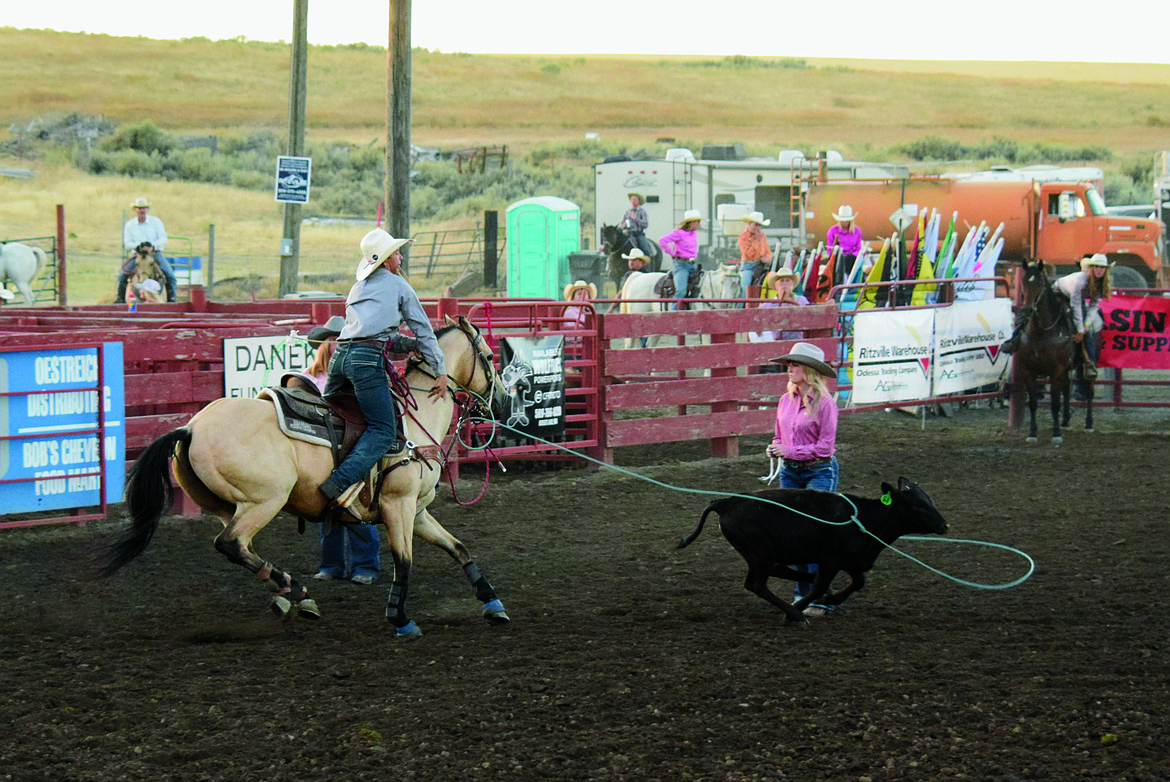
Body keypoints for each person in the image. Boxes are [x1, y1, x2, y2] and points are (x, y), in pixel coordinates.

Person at [318, 228, 449, 520]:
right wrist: (439, 370)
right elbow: (424, 330)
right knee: (384, 429)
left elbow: (374, 335)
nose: (400, 257)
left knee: (331, 419)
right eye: (396, 253)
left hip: (340, 359)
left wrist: (411, 346)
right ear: (386, 261)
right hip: (366, 362)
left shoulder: (357, 288)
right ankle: (339, 482)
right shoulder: (399, 286)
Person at [765, 342, 839, 617]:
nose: (790, 369)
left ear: (808, 370)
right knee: (795, 535)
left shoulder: (826, 404)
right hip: (791, 470)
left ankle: (820, 599)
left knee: (817, 535)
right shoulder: (785, 400)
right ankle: (803, 595)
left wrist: (789, 450)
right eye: (789, 365)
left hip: (819, 470)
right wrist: (775, 446)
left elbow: (825, 448)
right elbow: (778, 434)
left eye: (794, 365)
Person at [305, 324, 381, 584]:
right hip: (324, 446)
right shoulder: (310, 378)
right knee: (327, 505)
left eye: (341, 339)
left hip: (352, 443)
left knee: (357, 501)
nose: (337, 344)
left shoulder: (357, 375)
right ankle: (331, 565)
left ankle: (365, 566)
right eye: (332, 339)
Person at [1056, 253, 1112, 395]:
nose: (1100, 270)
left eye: (1102, 268)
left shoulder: (1100, 284)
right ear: (1091, 268)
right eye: (1097, 267)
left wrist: (1086, 326)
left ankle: (1090, 363)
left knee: (1089, 330)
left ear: (1105, 270)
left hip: (1076, 299)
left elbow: (1093, 306)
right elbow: (1076, 306)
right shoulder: (1080, 281)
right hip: (1058, 291)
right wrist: (1080, 330)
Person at [119, 197, 177, 303]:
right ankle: (120, 299)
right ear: (135, 209)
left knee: (170, 274)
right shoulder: (130, 225)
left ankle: (171, 298)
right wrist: (139, 247)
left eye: (144, 208)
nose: (142, 210)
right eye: (139, 208)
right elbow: (127, 243)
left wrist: (152, 247)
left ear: (147, 209)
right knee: (122, 275)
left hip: (154, 253)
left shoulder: (156, 222)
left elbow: (163, 239)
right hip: (138, 255)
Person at [659, 209, 702, 309]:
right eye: (697, 222)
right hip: (681, 265)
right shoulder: (678, 233)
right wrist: (672, 253)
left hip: (692, 264)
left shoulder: (694, 233)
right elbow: (662, 241)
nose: (699, 224)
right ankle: (674, 313)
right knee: (681, 291)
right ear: (691, 222)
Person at [825, 205, 863, 288]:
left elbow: (858, 248)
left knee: (849, 259)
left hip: (851, 258)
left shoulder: (856, 231)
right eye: (842, 220)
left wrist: (854, 255)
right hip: (837, 256)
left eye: (846, 221)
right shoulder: (833, 230)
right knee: (840, 260)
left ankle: (846, 280)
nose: (844, 223)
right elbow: (829, 248)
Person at [736, 211, 772, 298]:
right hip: (748, 266)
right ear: (749, 224)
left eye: (760, 225)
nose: (758, 228)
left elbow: (768, 252)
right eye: (755, 225)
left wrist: (767, 258)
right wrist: (757, 240)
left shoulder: (763, 236)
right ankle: (740, 308)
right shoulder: (743, 237)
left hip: (762, 265)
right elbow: (748, 253)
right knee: (746, 289)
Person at [619, 192, 654, 258]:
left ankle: (647, 261)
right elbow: (621, 224)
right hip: (628, 233)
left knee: (645, 249)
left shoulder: (642, 211)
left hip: (638, 234)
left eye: (635, 200)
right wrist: (623, 225)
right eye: (632, 200)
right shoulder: (627, 212)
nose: (633, 201)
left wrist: (636, 219)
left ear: (639, 201)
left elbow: (645, 224)